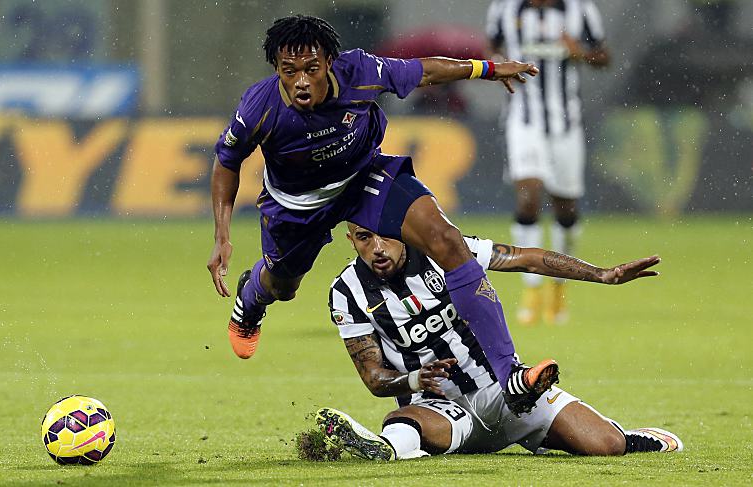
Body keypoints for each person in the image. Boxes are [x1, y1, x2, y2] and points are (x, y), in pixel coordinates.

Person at [208, 15, 557, 411]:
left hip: (363, 179)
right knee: (283, 288)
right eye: (289, 71)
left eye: (311, 69)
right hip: (298, 206)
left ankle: (510, 375)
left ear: (330, 63)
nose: (301, 81)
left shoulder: (359, 71)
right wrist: (222, 236)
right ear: (277, 70)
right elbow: (227, 162)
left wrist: (487, 69)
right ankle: (250, 300)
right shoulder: (258, 107)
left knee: (447, 241)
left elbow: (425, 71)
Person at [317, 223, 680, 460]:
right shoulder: (346, 292)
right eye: (364, 238)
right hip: (438, 409)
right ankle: (387, 447)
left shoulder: (443, 250)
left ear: (400, 228)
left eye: (384, 235)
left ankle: (622, 436)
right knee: (402, 421)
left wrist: (601, 274)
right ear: (351, 240)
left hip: (506, 393)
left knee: (608, 446)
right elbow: (373, 378)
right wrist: (414, 379)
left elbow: (526, 259)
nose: (378, 248)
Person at [485, 0, 610, 325]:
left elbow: (604, 57)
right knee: (528, 198)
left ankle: (559, 286)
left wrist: (581, 53)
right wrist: (498, 64)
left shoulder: (580, 9)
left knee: (565, 208)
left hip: (566, 123)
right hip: (523, 121)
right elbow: (492, 47)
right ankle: (531, 289)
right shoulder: (505, 9)